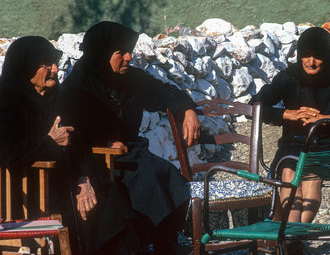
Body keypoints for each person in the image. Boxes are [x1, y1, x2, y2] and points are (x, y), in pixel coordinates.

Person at [59, 21, 201, 254]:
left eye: (129, 51)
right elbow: (72, 137)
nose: (128, 57)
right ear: (101, 54)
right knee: (148, 180)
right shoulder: (76, 89)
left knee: (165, 174)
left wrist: (187, 110)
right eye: (120, 52)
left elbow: (165, 92)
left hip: (131, 155)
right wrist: (103, 143)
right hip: (96, 162)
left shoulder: (131, 79)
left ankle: (166, 242)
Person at [250, 26, 330, 228]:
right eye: (306, 55)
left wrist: (326, 118)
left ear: (328, 55)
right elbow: (255, 106)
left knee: (310, 176)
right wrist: (288, 114)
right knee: (289, 173)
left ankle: (293, 235)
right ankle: (294, 236)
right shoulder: (289, 76)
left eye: (317, 56)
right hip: (294, 144)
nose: (311, 62)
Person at [0, 36, 96, 248]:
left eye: (56, 63)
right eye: (47, 64)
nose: (55, 69)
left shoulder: (57, 98)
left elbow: (80, 144)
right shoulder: (6, 101)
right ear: (26, 67)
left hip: (65, 184)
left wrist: (84, 178)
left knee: (110, 198)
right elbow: (8, 152)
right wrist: (49, 142)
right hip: (27, 193)